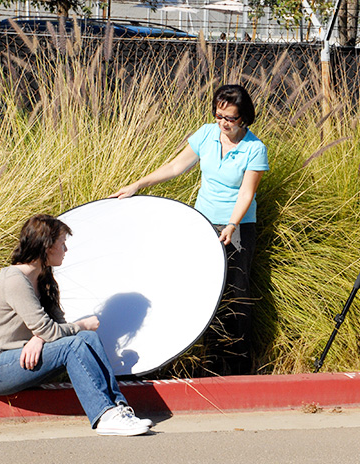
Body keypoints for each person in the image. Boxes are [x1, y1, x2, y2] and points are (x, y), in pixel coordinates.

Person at [110, 84, 269, 376]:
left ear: (243, 117)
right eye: (219, 115)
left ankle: (237, 366)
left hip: (237, 227)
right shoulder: (207, 134)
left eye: (230, 118)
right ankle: (209, 362)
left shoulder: (254, 148)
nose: (223, 123)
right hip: (204, 222)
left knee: (235, 294)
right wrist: (138, 184)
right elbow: (175, 167)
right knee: (206, 291)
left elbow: (247, 193)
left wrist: (232, 224)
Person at [0, 214, 152, 436]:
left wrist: (39, 337)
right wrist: (80, 325)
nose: (66, 249)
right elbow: (51, 331)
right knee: (75, 343)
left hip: (21, 358)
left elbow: (53, 328)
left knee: (89, 338)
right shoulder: (15, 280)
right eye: (62, 243)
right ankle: (104, 416)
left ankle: (118, 409)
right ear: (47, 247)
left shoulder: (42, 277)